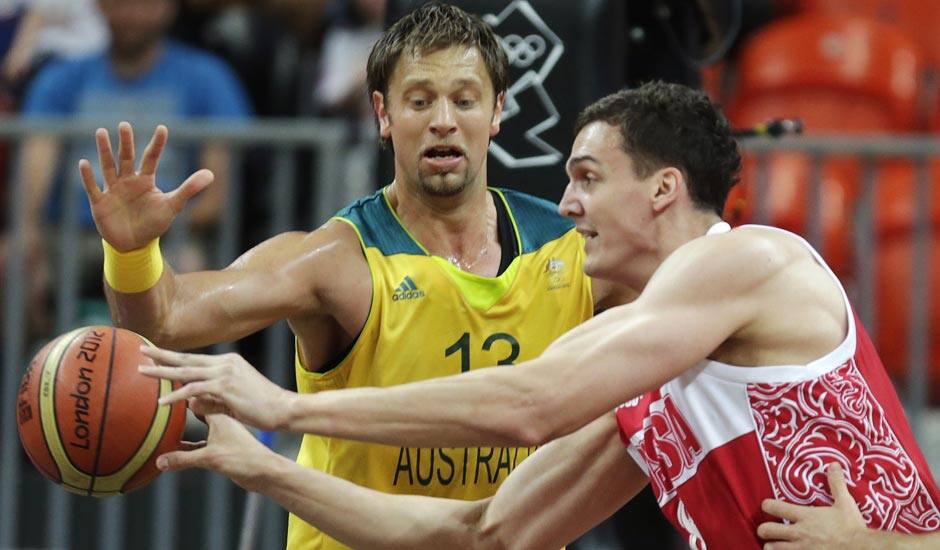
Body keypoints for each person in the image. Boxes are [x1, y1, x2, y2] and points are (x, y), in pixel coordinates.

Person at [139, 80, 940, 548]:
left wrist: (286, 406)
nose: (566, 203)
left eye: (588, 177)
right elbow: (483, 535)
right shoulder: (644, 379)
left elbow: (532, 404)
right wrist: (266, 468)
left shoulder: (750, 259)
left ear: (662, 190)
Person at [80, 3, 629, 549]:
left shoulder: (570, 247)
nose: (443, 119)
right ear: (383, 114)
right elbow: (166, 317)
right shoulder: (336, 260)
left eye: (464, 100)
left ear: (496, 113)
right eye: (419, 101)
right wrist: (132, 251)